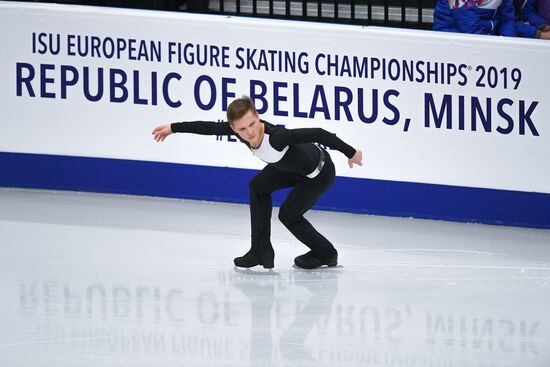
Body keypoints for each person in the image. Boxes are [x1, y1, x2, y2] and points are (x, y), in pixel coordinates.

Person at [151, 96, 363, 270]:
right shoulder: (240, 132)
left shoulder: (277, 137)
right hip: (290, 168)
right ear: (234, 129)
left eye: (252, 124)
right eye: (242, 129)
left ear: (258, 118)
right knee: (258, 187)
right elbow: (209, 128)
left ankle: (326, 253)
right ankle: (260, 251)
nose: (250, 132)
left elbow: (319, 133)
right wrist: (173, 127)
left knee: (288, 215)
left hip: (318, 173)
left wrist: (351, 153)